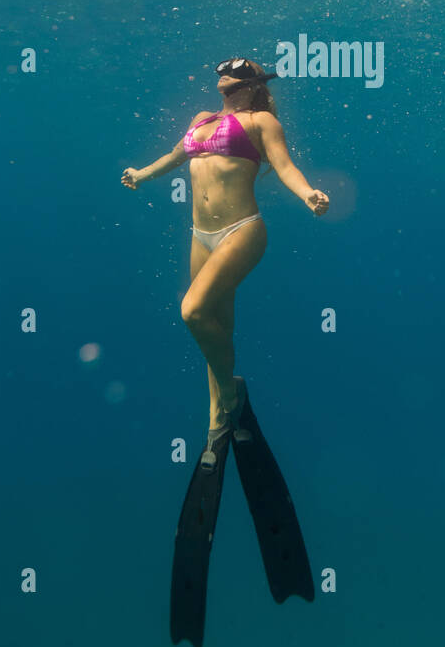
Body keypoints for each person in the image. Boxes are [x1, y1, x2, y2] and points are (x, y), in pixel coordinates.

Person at [121, 57, 329, 449]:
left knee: (193, 311)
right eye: (221, 71)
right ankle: (218, 416)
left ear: (250, 84)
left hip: (242, 231)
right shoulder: (201, 118)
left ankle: (232, 394)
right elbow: (175, 156)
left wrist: (308, 195)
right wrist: (142, 173)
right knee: (214, 329)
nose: (222, 74)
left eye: (233, 70)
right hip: (201, 234)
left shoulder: (261, 122)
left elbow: (285, 168)